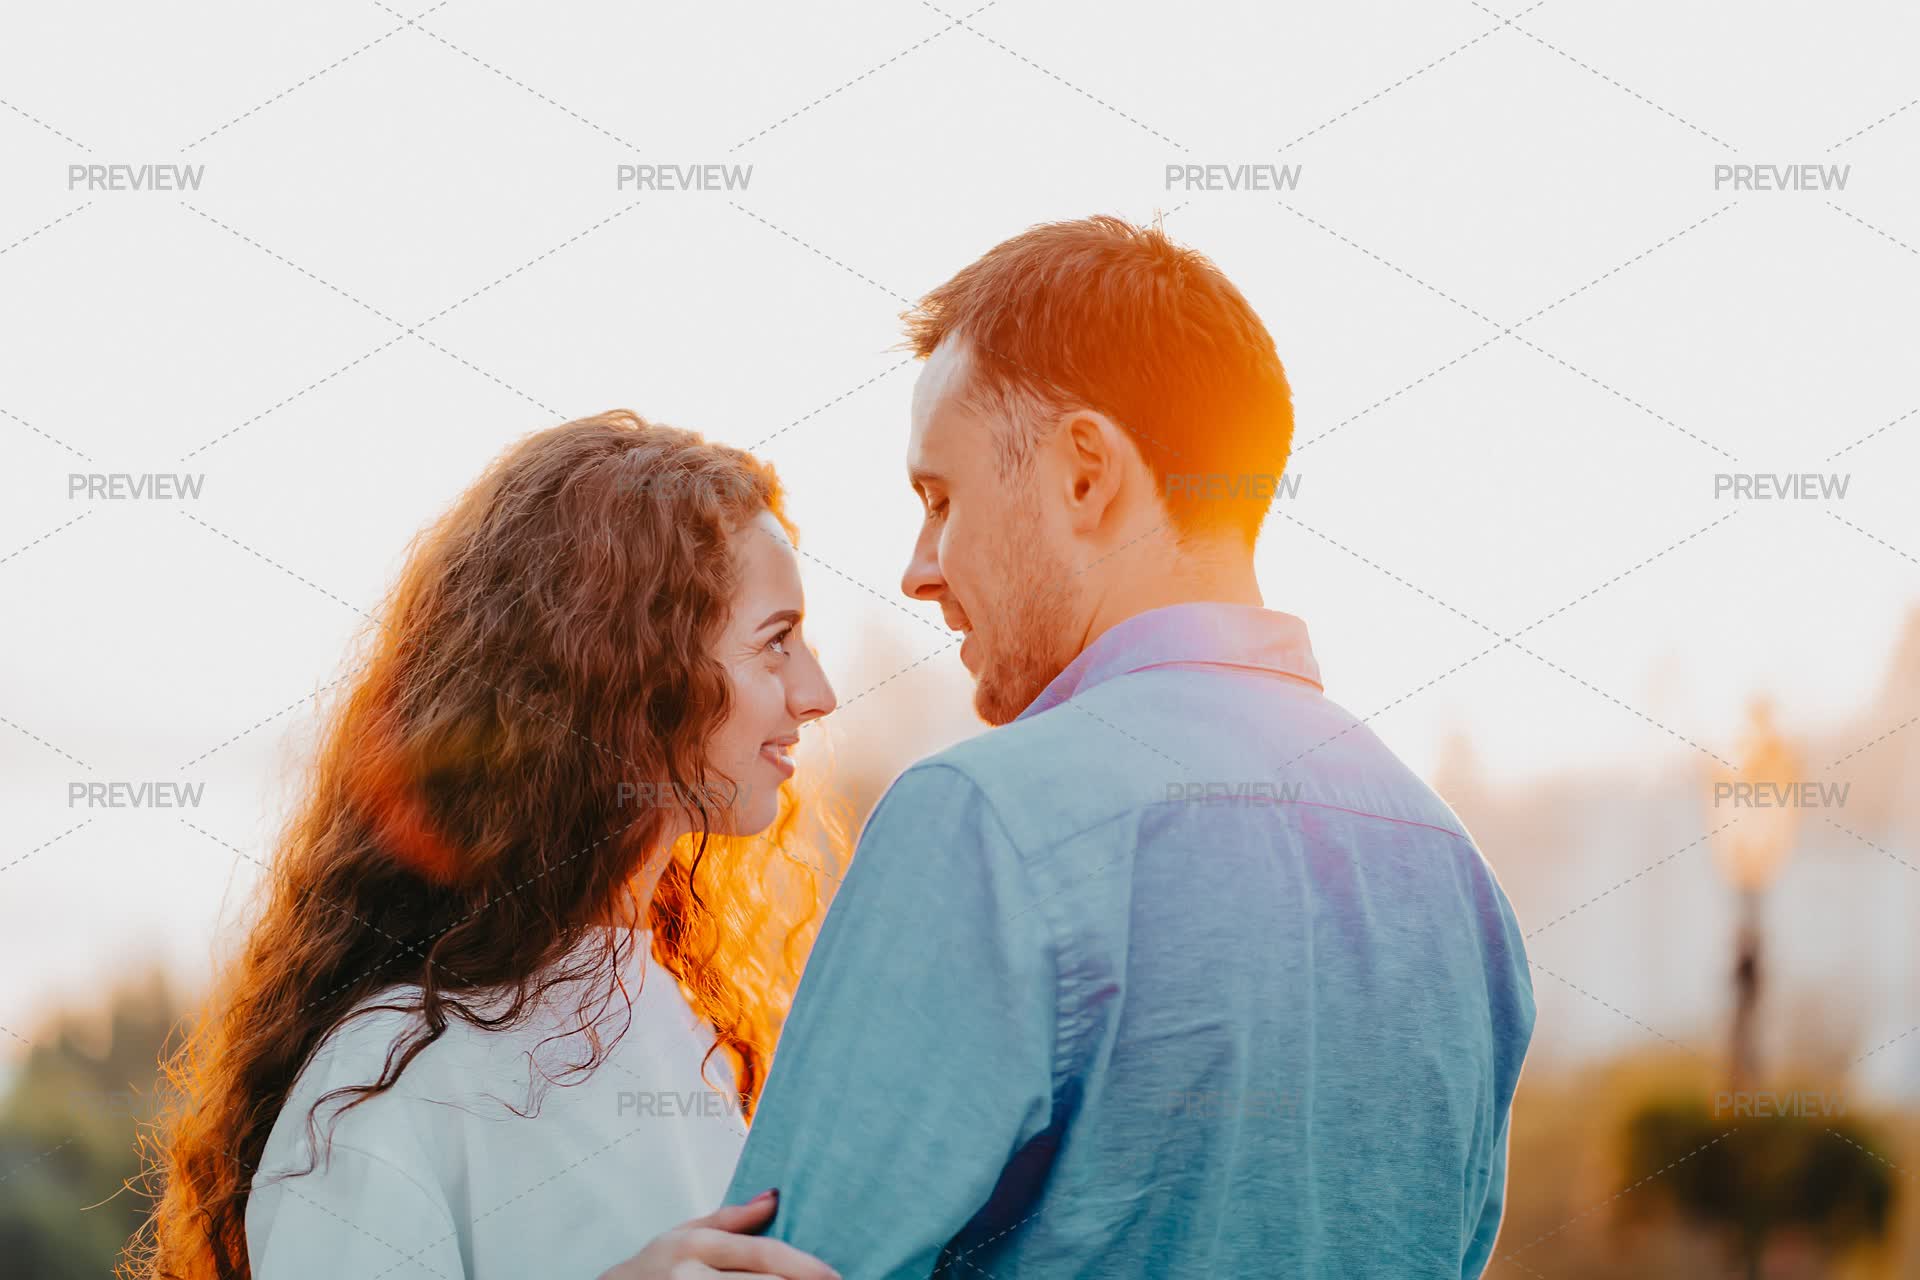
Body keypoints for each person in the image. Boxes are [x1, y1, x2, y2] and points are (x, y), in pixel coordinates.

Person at [721, 216, 1537, 1276]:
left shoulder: (981, 819)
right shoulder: (1455, 876)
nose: (920, 567)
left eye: (941, 498)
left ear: (1085, 474)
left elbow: (780, 1261)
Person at [128, 414, 842, 1280]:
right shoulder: (388, 1079)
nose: (818, 691)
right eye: (776, 642)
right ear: (632, 670)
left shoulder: (680, 1025)